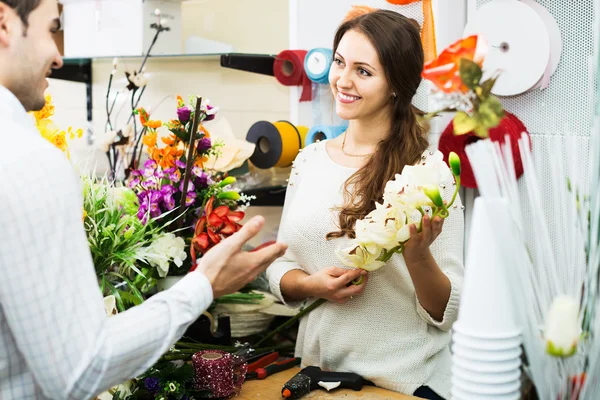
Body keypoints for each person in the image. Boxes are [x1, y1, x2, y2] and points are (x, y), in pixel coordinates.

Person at [0, 0, 287, 398]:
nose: (58, 55)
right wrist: (203, 285)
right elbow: (81, 369)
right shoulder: (28, 163)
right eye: (52, 28)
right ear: (4, 21)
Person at [266, 9, 464, 400]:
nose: (342, 80)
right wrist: (309, 285)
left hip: (403, 384)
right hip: (316, 379)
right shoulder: (309, 161)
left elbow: (447, 311)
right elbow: (279, 263)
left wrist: (418, 255)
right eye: (340, 62)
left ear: (395, 84)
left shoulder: (428, 175)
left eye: (363, 71)